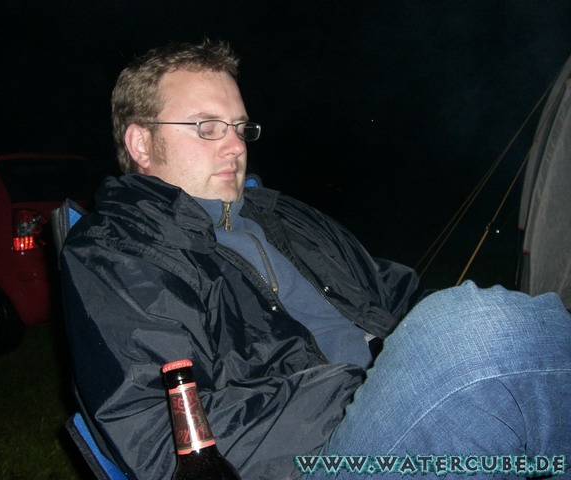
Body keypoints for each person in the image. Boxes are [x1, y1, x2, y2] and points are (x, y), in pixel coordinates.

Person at [61, 40, 571, 479]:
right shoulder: (120, 250)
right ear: (141, 142)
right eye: (207, 127)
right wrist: (367, 387)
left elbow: (398, 293)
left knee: (507, 337)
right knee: (478, 332)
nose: (235, 145)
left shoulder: (284, 217)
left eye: (239, 127)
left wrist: (416, 361)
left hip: (399, 409)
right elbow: (159, 436)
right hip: (321, 455)